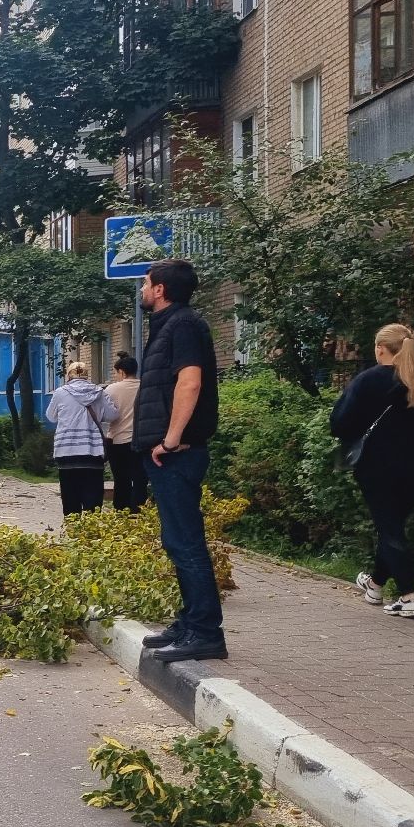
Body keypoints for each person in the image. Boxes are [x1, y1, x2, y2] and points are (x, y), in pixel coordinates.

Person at [133, 259, 225, 662]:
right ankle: (190, 621)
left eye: (145, 282)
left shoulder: (184, 324)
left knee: (186, 541)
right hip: (167, 452)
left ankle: (205, 632)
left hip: (176, 453)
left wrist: (170, 441)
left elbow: (190, 382)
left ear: (161, 290)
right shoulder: (170, 325)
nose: (141, 289)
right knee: (176, 540)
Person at [330, 323, 414, 620]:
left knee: (390, 529)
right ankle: (375, 585)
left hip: (377, 467)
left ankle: (408, 596)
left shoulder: (368, 380)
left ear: (380, 349)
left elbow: (340, 423)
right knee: (393, 525)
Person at [46, 362, 118, 516]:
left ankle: (73, 531)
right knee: (93, 493)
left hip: (66, 450)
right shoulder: (99, 392)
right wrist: (98, 415)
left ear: (68, 376)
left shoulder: (60, 392)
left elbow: (51, 417)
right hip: (92, 450)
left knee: (69, 493)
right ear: (86, 375)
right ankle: (90, 532)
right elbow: (113, 415)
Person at [103, 354, 146, 510]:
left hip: (117, 440)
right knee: (140, 477)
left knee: (121, 479)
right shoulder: (145, 386)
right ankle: (139, 510)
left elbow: (105, 415)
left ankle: (121, 510)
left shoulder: (111, 389)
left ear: (121, 371)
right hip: (141, 440)